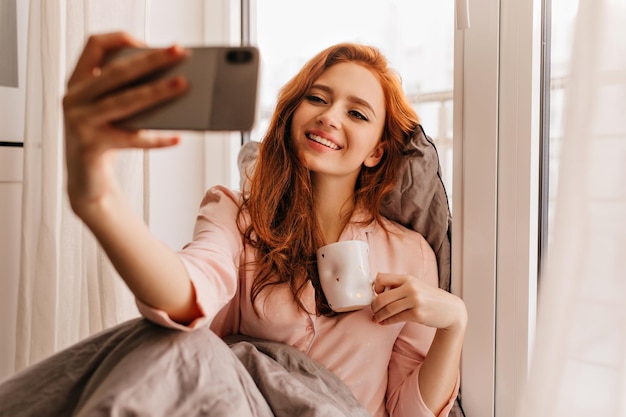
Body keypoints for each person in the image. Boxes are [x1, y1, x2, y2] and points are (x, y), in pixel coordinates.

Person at [62, 32, 467, 417]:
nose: (329, 116)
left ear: (376, 151)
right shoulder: (236, 216)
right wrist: (99, 201)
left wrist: (453, 323)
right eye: (317, 98)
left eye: (357, 113)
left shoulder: (411, 254)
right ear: (294, 115)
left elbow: (408, 412)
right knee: (152, 343)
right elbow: (187, 292)